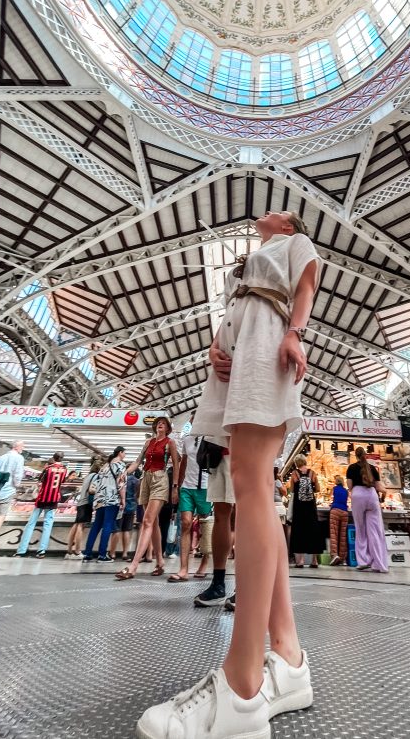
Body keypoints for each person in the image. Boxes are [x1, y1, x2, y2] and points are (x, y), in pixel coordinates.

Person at [136, 210, 319, 739]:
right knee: (252, 485)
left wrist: (295, 335)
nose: (266, 212)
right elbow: (239, 310)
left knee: (252, 484)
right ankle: (287, 655)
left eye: (278, 211)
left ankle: (241, 688)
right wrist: (221, 347)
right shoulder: (244, 267)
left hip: (268, 346)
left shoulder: (294, 243)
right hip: (238, 357)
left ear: (288, 224)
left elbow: (306, 286)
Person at [115, 417, 179, 580]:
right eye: (158, 423)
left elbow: (177, 463)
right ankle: (160, 562)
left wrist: (175, 487)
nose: (160, 424)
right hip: (146, 479)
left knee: (147, 521)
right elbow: (138, 461)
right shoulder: (148, 442)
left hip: (160, 479)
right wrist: (125, 472)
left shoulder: (170, 443)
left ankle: (133, 566)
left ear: (168, 428)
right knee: (154, 522)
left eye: (163, 423)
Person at [194, 446, 236, 610]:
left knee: (246, 516)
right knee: (220, 514)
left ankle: (247, 587)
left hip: (249, 449)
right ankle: (218, 584)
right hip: (219, 451)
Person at [169, 435, 210, 583]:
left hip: (205, 487)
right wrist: (177, 487)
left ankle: (204, 563)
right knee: (185, 523)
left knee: (206, 528)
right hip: (187, 487)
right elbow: (184, 463)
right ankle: (183, 569)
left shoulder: (211, 438)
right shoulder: (187, 440)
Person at [14, 451, 67, 558]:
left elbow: (40, 482)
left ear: (54, 457)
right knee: (48, 524)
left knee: (31, 524)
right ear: (62, 459)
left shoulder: (48, 469)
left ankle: (21, 550)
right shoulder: (64, 470)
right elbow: (62, 482)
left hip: (42, 498)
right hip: (53, 500)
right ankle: (42, 550)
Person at [346, 447, 387, 573]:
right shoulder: (372, 468)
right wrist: (383, 497)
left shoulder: (351, 468)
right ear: (365, 455)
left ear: (356, 456)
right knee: (375, 532)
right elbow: (380, 487)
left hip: (358, 495)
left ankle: (363, 561)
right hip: (372, 496)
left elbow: (350, 486)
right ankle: (379, 564)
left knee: (361, 530)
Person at [84, 446, 127, 562]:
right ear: (120, 453)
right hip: (112, 499)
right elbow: (121, 484)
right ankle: (102, 555)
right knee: (107, 525)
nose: (125, 455)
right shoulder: (121, 465)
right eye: (124, 453)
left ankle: (87, 554)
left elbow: (98, 482)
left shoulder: (105, 466)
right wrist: (123, 499)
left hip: (100, 499)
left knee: (96, 526)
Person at [289, 455, 324, 568]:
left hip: (299, 507)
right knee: (313, 530)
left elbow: (292, 490)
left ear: (296, 463)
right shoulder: (312, 473)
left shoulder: (295, 474)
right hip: (310, 507)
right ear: (304, 461)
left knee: (299, 531)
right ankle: (314, 561)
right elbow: (318, 489)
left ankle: (300, 561)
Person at [65, 457, 102, 559]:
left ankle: (69, 551)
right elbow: (92, 490)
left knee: (76, 524)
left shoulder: (87, 476)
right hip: (87, 502)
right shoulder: (96, 476)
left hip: (80, 502)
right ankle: (77, 551)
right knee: (81, 526)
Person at [110, 466, 141, 561]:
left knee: (116, 530)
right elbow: (138, 495)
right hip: (131, 507)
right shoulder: (136, 481)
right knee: (127, 530)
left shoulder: (122, 479)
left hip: (120, 507)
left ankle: (112, 553)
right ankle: (125, 553)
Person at [329, 474, 349, 566]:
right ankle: (343, 559)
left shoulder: (334, 489)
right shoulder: (346, 491)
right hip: (345, 512)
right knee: (343, 536)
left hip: (335, 511)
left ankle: (334, 555)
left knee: (334, 534)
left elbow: (331, 498)